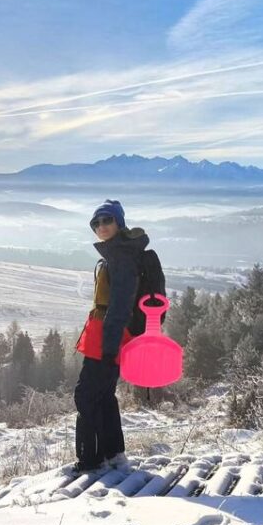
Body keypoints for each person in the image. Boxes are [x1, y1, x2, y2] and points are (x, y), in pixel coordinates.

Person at [73, 200, 150, 473]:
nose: (101, 227)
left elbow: (120, 304)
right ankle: (113, 454)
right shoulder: (118, 253)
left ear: (119, 223)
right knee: (103, 395)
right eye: (96, 223)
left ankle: (90, 461)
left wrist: (109, 346)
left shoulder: (121, 257)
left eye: (107, 220)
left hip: (109, 337)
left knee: (86, 395)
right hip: (107, 335)